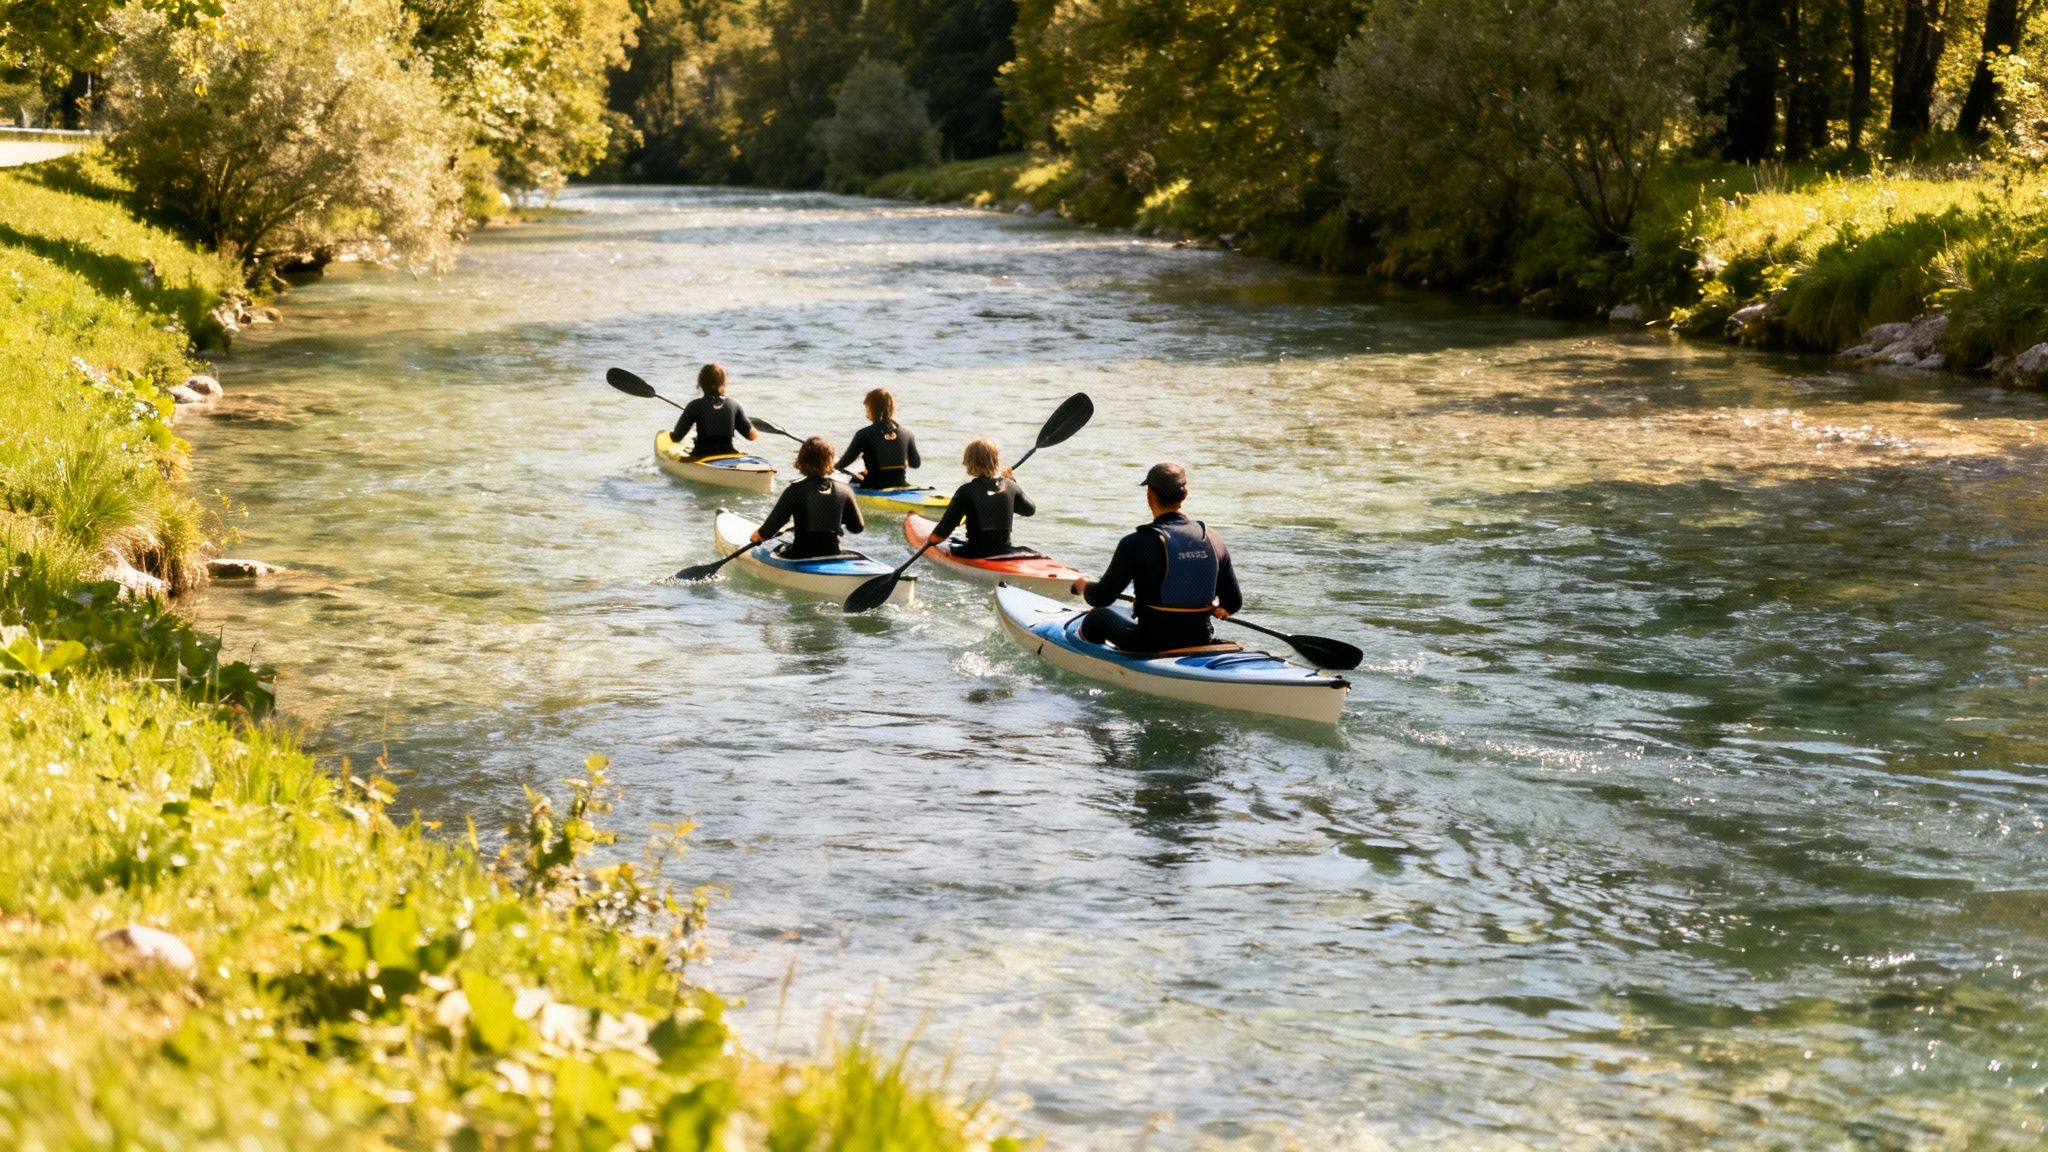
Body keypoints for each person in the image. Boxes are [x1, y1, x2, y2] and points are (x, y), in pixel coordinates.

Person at [1071, 462, 1241, 653]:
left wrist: (1083, 585)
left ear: (1150, 494)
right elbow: (1233, 602)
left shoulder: (1136, 542)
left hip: (1149, 643)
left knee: (1098, 617)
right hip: (1200, 638)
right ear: (1185, 493)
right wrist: (1219, 608)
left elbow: (1102, 598)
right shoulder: (1212, 538)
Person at [752, 437, 864, 559]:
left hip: (800, 556)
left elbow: (768, 530)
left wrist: (757, 536)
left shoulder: (795, 489)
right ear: (831, 461)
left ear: (801, 460)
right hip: (832, 554)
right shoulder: (844, 490)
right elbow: (857, 528)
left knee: (777, 547)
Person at [926, 438, 1037, 558]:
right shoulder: (1010, 486)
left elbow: (943, 531)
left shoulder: (966, 491)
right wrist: (1014, 484)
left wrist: (928, 542)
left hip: (974, 553)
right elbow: (1029, 511)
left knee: (949, 542)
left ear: (969, 461)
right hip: (1005, 552)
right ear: (996, 460)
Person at [835, 388, 920, 489]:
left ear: (871, 408)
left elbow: (843, 464)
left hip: (873, 486)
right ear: (892, 407)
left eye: (866, 407)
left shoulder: (864, 434)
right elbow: (915, 464)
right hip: (901, 485)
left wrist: (832, 467)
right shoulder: (907, 433)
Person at [670, 363, 758, 459]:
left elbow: (677, 438)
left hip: (701, 456)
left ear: (701, 383)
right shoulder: (734, 405)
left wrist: (667, 435)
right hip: (729, 456)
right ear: (723, 383)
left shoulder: (694, 405)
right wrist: (743, 421)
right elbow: (752, 436)